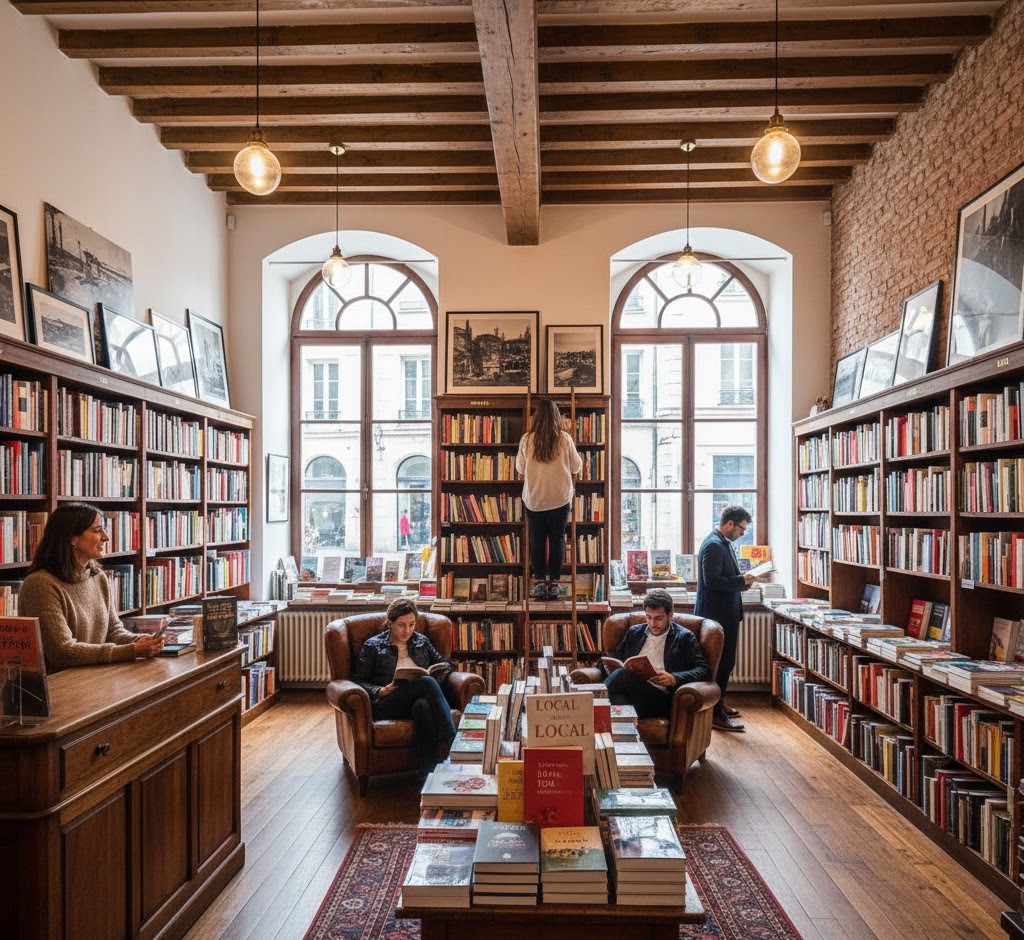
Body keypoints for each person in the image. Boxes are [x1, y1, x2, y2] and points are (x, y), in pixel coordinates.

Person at [18, 503, 165, 672]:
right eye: (97, 530)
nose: (106, 537)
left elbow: (114, 632)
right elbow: (62, 652)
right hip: (60, 688)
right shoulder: (40, 585)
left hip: (96, 678)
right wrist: (132, 650)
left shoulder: (98, 577)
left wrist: (144, 641)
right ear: (73, 538)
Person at [351, 597, 456, 777]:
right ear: (390, 623)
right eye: (401, 625)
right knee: (427, 683)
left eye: (412, 624)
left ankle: (427, 774)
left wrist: (440, 670)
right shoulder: (373, 645)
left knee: (422, 705)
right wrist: (379, 690)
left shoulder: (421, 641)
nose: (407, 630)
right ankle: (452, 738)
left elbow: (446, 665)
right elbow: (358, 680)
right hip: (387, 703)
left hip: (416, 700)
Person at [601, 588, 711, 719]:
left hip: (660, 698)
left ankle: (587, 706)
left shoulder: (684, 637)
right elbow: (617, 658)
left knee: (621, 676)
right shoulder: (634, 632)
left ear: (670, 615)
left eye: (658, 618)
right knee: (617, 697)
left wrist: (674, 678)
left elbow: (704, 670)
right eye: (649, 617)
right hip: (632, 692)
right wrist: (607, 663)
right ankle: (624, 736)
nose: (653, 624)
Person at [695, 505, 758, 732]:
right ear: (730, 524)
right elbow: (712, 581)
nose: (743, 533)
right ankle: (714, 711)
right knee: (720, 664)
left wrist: (743, 582)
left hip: (726, 614)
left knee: (726, 663)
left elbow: (726, 578)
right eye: (742, 529)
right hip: (717, 616)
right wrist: (741, 581)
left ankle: (718, 703)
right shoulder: (713, 545)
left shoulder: (723, 543)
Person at [515, 399, 582, 600]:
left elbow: (519, 469)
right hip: (560, 498)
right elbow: (576, 467)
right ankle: (553, 583)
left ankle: (539, 583)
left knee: (536, 541)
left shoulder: (527, 439)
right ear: (556, 417)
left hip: (535, 498)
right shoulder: (565, 439)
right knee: (557, 540)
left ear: (536, 418)